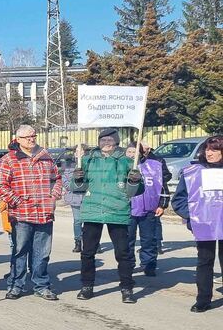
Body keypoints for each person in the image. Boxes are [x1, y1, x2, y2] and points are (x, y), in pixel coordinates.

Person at [71, 128, 144, 304]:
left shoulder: (127, 161)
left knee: (123, 253)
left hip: (117, 211)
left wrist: (134, 181)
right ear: (98, 142)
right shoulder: (87, 160)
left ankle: (127, 288)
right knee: (87, 253)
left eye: (110, 140)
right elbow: (77, 188)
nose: (106, 143)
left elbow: (136, 191)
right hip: (92, 212)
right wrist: (78, 178)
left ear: (116, 142)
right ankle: (87, 286)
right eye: (103, 140)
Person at [0, 125, 63, 301]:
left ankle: (41, 285)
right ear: (17, 139)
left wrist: (53, 197)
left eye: (33, 136)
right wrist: (17, 201)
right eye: (27, 137)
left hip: (44, 213)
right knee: (19, 251)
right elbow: (1, 186)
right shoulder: (8, 160)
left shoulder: (46, 157)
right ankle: (15, 285)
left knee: (42, 253)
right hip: (21, 215)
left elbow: (57, 179)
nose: (31, 139)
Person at [171, 136, 223, 312]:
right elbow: (178, 200)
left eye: (215, 149)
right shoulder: (192, 172)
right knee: (205, 262)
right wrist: (192, 216)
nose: (209, 153)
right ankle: (203, 299)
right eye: (207, 149)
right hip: (204, 225)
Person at [125, 142, 170, 276]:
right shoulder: (121, 166)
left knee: (149, 239)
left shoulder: (153, 165)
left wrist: (162, 205)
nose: (132, 155)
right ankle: (128, 264)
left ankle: (149, 264)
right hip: (128, 210)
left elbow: (162, 186)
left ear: (141, 152)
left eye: (134, 152)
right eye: (129, 151)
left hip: (149, 209)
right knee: (127, 240)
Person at [62, 145, 87, 253]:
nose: (78, 153)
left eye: (80, 151)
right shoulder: (69, 165)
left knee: (90, 221)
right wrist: (73, 185)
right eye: (76, 151)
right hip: (74, 196)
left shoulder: (90, 164)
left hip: (88, 197)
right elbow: (65, 180)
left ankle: (92, 242)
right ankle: (78, 241)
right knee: (77, 220)